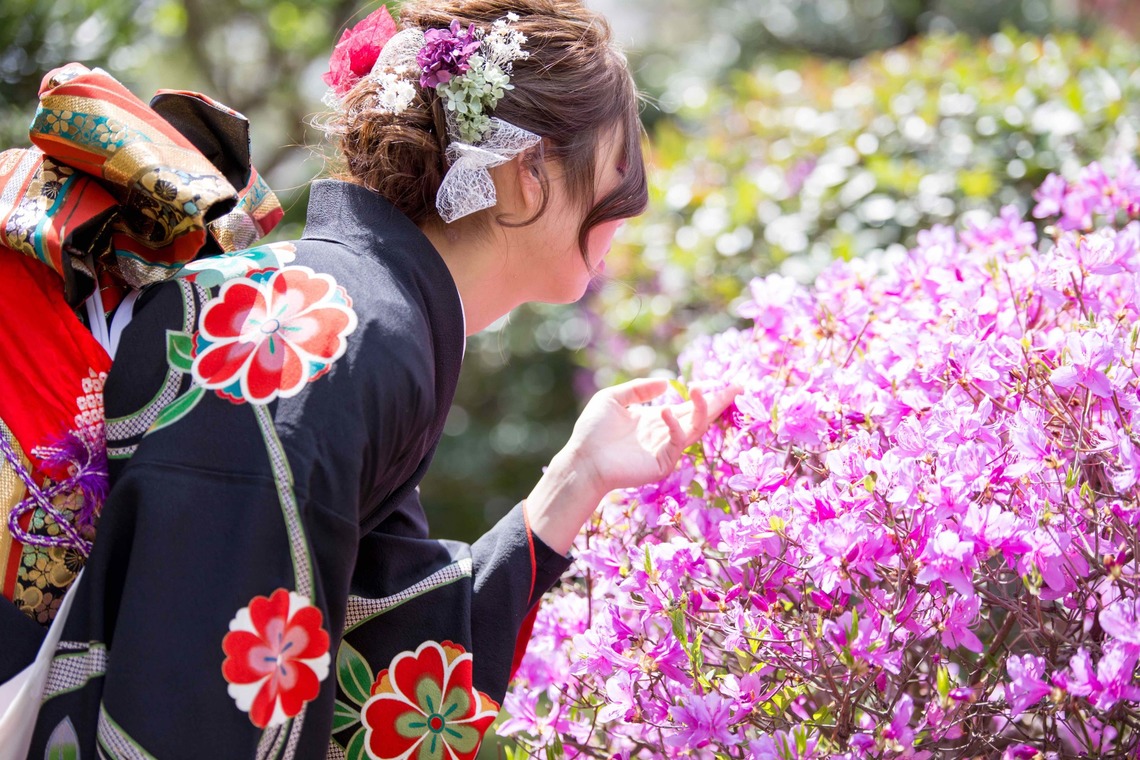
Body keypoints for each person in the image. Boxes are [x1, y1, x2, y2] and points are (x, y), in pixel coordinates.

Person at [9, 1, 737, 757]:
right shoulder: (338, 334)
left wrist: (578, 477)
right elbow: (208, 689)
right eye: (621, 161)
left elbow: (367, 648)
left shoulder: (351, 316)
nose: (634, 200)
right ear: (529, 174)